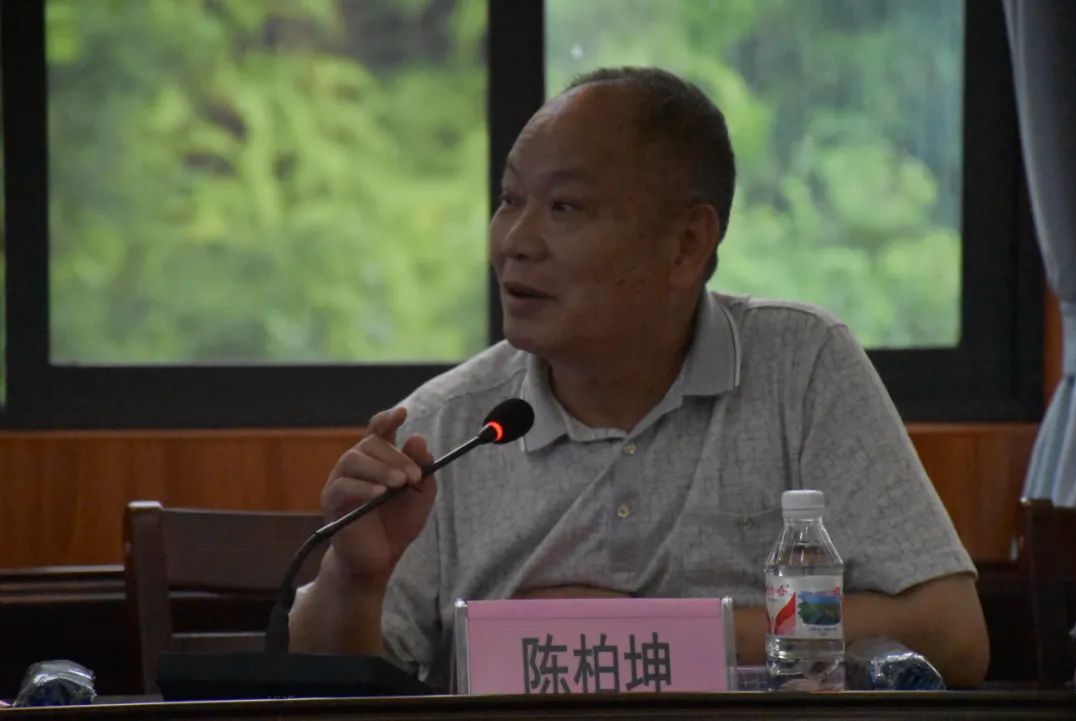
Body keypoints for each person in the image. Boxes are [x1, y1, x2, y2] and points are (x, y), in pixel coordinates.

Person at [289, 67, 989, 689]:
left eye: (565, 207)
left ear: (686, 244)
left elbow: (953, 634)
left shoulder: (800, 366)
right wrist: (355, 578)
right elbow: (336, 691)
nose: (514, 242)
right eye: (509, 199)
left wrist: (642, 632)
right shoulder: (445, 427)